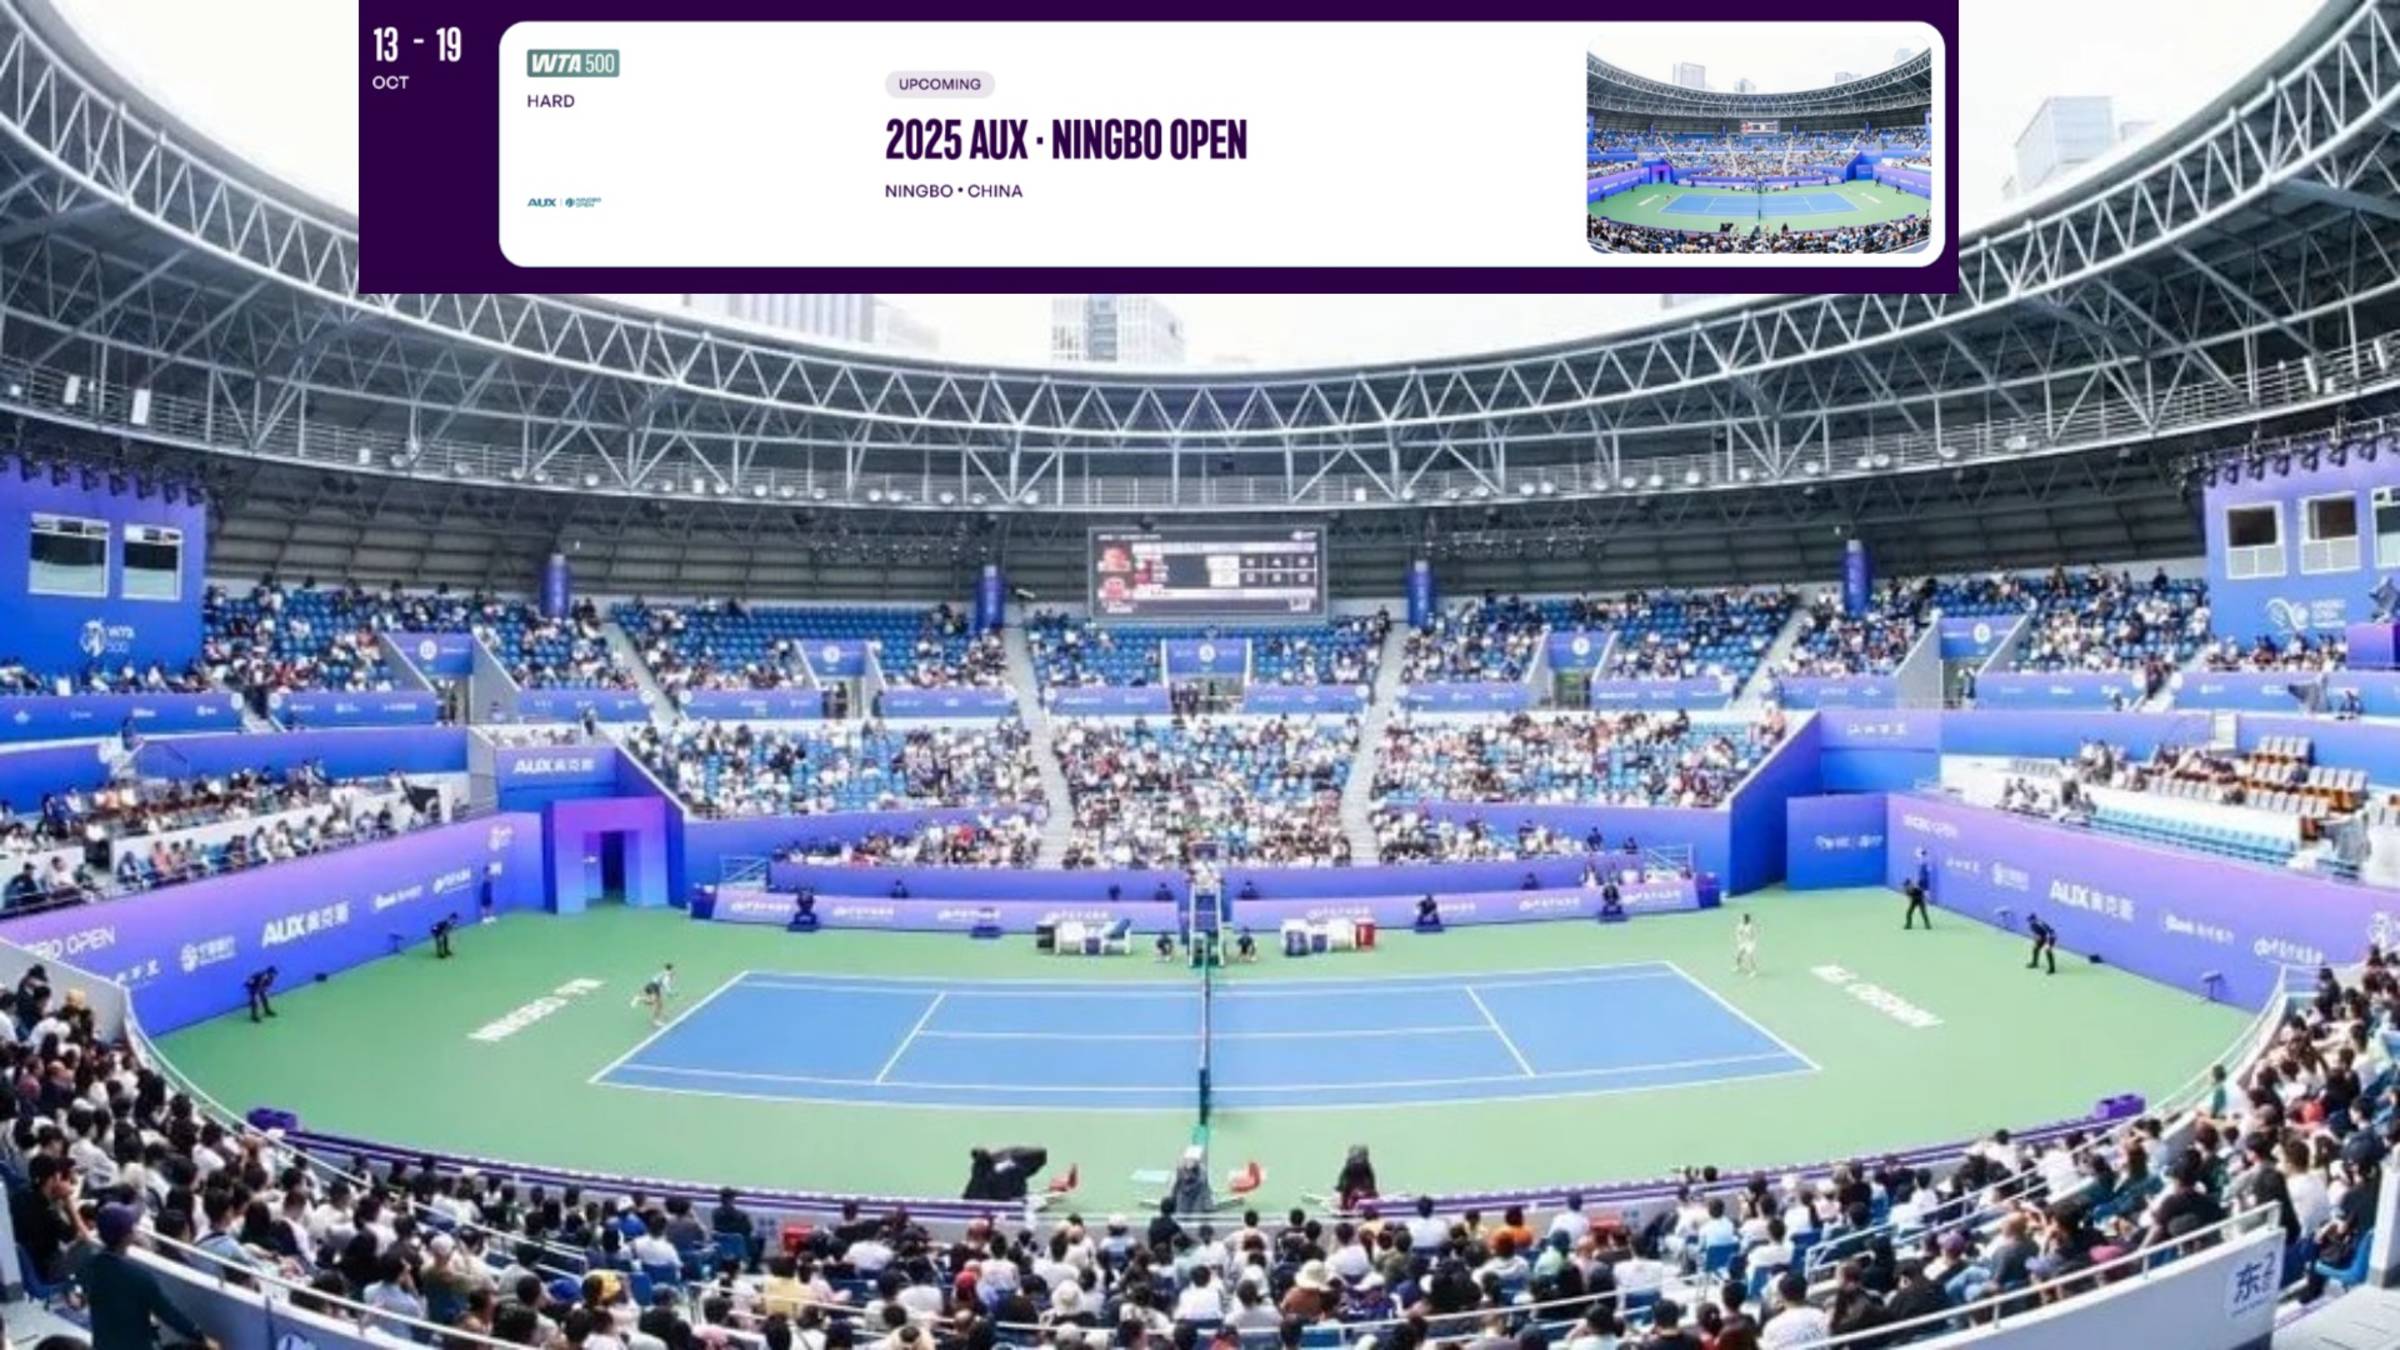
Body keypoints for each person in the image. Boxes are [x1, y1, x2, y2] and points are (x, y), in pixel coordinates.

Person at [87, 1204, 218, 1350]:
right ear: (127, 1236)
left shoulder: (91, 1266)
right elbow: (168, 1314)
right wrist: (201, 1337)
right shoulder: (139, 1277)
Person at [636, 962, 677, 1026]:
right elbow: (665, 985)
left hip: (651, 985)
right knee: (656, 1004)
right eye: (673, 969)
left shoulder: (663, 972)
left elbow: (655, 980)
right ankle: (655, 1020)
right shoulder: (667, 976)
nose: (674, 971)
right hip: (654, 987)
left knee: (656, 1004)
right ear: (671, 969)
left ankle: (661, 1015)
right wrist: (670, 993)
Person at [1733, 913, 1759, 978]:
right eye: (1742, 919)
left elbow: (1754, 935)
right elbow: (1738, 933)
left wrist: (1752, 942)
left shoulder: (1751, 927)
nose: (1741, 919)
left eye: (1743, 919)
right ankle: (1738, 966)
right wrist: (1739, 939)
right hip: (1742, 943)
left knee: (1750, 957)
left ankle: (1753, 971)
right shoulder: (1740, 925)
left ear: (1746, 919)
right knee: (1738, 955)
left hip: (1750, 943)